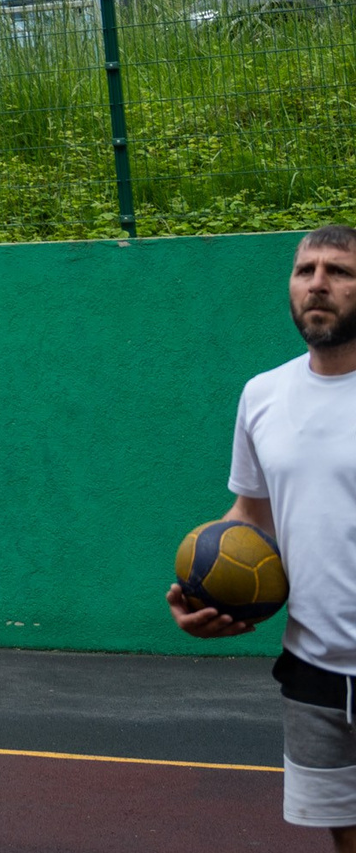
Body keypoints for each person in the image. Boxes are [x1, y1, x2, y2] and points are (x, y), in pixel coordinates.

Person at [171, 225, 356, 847]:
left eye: (340, 271)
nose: (318, 284)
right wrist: (200, 591)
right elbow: (251, 514)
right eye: (306, 271)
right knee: (344, 833)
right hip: (312, 666)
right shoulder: (263, 395)